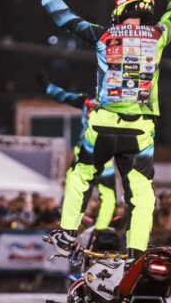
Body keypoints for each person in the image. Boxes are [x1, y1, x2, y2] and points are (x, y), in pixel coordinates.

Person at [18, 0, 171, 260]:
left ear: (124, 4)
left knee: (81, 176)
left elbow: (63, 17)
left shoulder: (104, 36)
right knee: (141, 194)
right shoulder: (159, 35)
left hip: (103, 122)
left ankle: (67, 234)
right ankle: (137, 250)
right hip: (141, 132)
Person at [40, 75, 116, 231]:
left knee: (74, 181)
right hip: (104, 152)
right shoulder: (114, 104)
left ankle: (72, 219)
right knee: (108, 194)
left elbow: (64, 96)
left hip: (87, 150)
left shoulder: (87, 101)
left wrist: (48, 87)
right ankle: (101, 227)